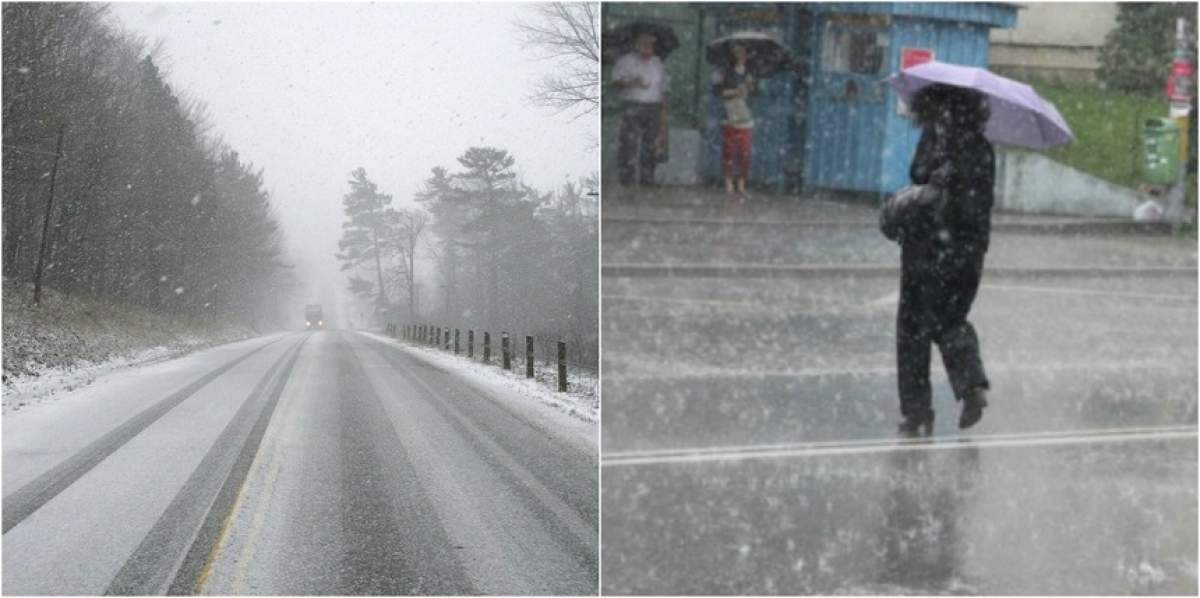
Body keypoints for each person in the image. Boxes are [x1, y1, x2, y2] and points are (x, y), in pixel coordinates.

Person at [881, 84, 993, 435]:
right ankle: (972, 384)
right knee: (951, 319)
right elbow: (979, 203)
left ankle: (917, 413)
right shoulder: (982, 147)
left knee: (912, 329)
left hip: (926, 247)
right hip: (969, 250)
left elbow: (918, 174)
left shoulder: (936, 141)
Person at [612, 32, 668, 187]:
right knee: (629, 142)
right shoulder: (626, 61)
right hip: (633, 103)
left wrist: (663, 110)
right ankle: (627, 177)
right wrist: (631, 82)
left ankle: (647, 177)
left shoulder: (657, 63)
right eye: (645, 44)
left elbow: (663, 88)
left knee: (650, 143)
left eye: (651, 45)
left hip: (653, 105)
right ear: (637, 45)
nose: (648, 48)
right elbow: (615, 82)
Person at [712, 42, 756, 196]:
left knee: (745, 152)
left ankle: (742, 183)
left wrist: (750, 88)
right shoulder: (726, 72)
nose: (741, 56)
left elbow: (753, 93)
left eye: (743, 52)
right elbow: (719, 92)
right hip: (730, 114)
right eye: (737, 52)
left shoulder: (750, 72)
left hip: (745, 115)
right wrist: (736, 91)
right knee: (729, 151)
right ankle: (728, 182)